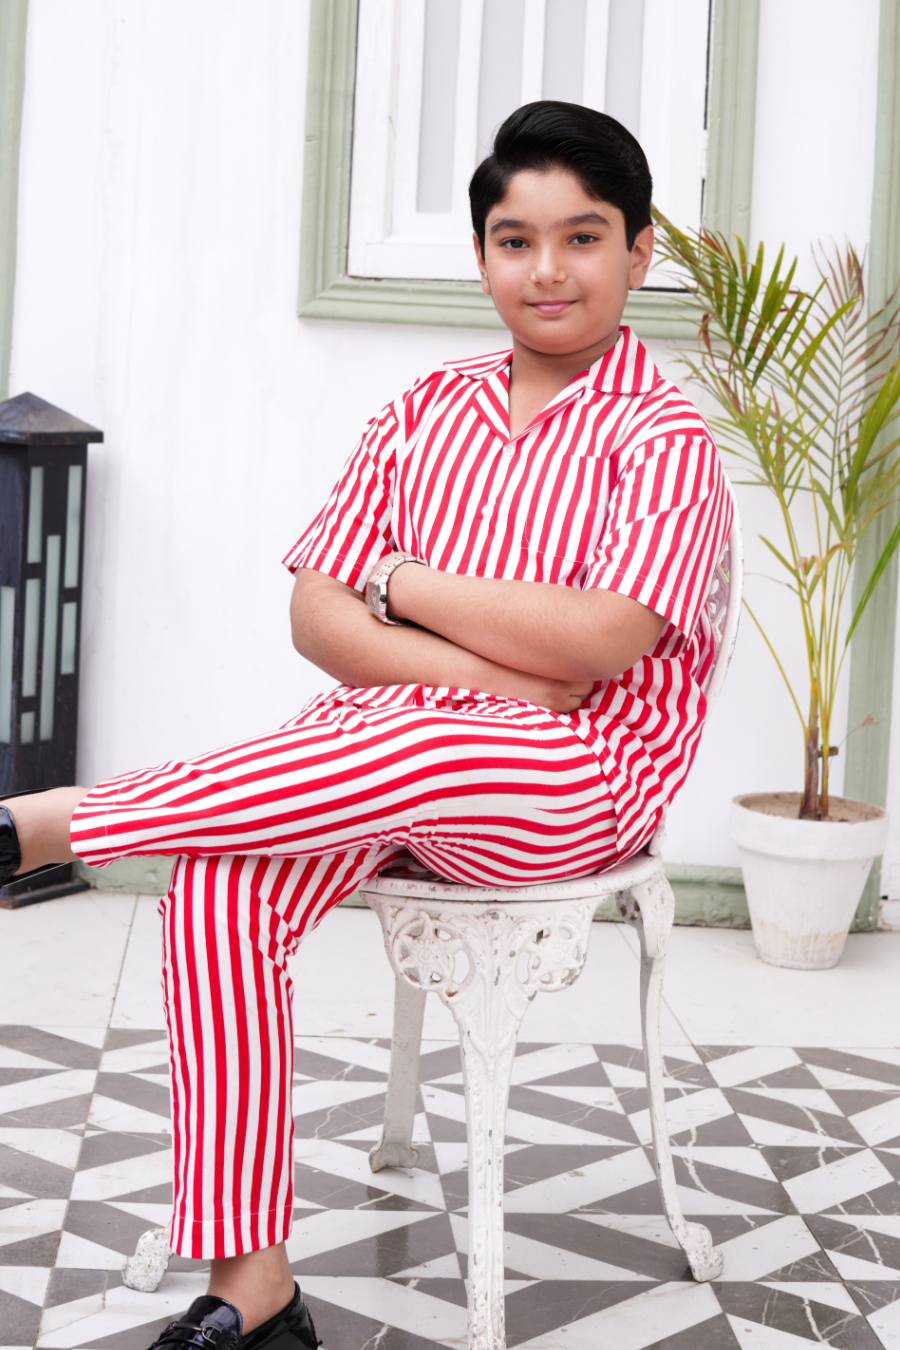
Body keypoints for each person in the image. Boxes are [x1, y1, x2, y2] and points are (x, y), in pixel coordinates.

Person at [0, 102, 733, 1349]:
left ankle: (49, 823)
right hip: (380, 760)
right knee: (219, 888)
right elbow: (317, 617)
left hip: (576, 781)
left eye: (583, 237)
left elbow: (602, 640)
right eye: (515, 240)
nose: (548, 270)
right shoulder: (425, 408)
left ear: (639, 250)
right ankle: (256, 1290)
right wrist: (488, 665)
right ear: (482, 254)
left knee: (424, 736)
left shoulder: (664, 438)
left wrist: (404, 582)